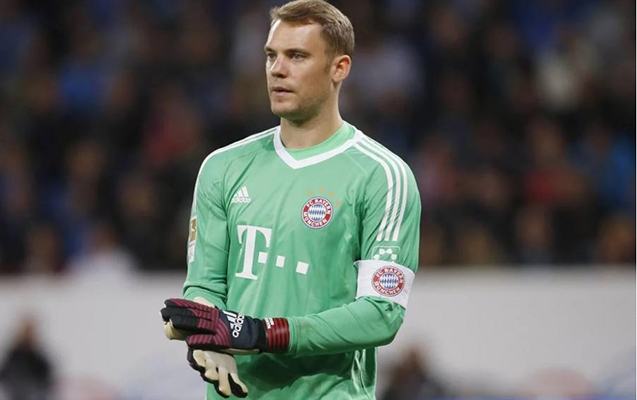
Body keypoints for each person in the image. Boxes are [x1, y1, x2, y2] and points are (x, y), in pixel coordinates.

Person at [160, 0, 421, 398]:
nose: (277, 69)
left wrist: (264, 334)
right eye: (271, 56)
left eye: (296, 56)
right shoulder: (222, 168)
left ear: (339, 68)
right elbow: (205, 286)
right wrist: (206, 340)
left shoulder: (382, 176)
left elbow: (380, 315)